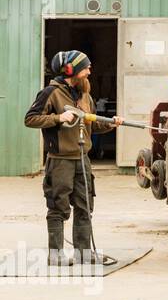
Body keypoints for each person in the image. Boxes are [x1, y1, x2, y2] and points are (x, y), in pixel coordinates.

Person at [24, 50, 121, 266]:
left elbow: (92, 126)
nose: (89, 70)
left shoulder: (85, 95)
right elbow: (30, 119)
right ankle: (55, 254)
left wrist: (111, 123)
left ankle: (84, 253)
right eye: (85, 67)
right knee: (58, 206)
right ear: (71, 70)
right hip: (60, 161)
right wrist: (58, 118)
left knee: (85, 205)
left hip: (82, 158)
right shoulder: (51, 93)